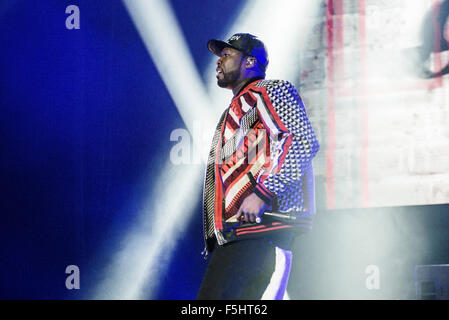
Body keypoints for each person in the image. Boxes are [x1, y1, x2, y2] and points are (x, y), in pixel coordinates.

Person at [197, 33, 320, 300]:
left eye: (227, 55)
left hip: (265, 232)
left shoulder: (270, 90)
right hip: (237, 236)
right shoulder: (233, 110)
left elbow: (301, 140)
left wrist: (263, 193)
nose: (219, 61)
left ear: (250, 61)